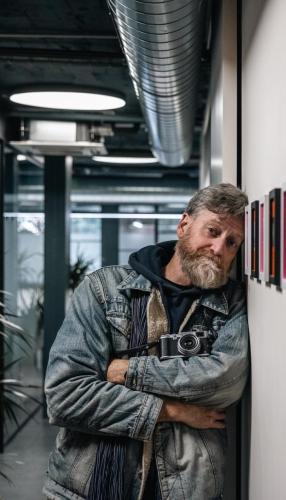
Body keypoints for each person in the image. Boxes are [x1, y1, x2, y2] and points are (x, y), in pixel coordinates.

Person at [43, 183, 249, 500]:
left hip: (187, 489)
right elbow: (65, 396)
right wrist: (172, 410)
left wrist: (129, 371)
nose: (219, 248)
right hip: (88, 488)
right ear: (184, 225)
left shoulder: (232, 303)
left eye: (232, 242)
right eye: (212, 231)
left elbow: (225, 380)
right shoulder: (104, 289)